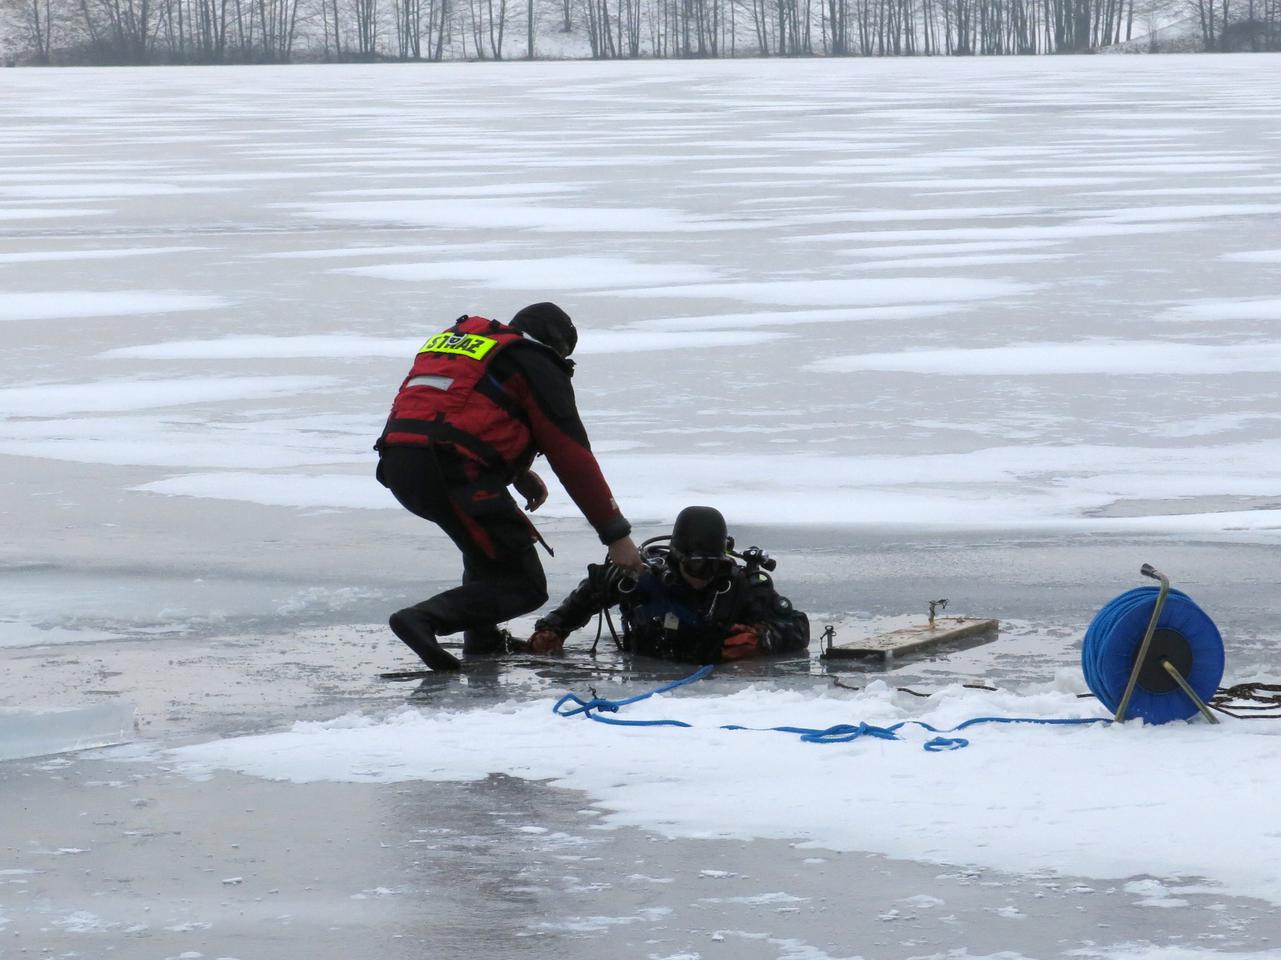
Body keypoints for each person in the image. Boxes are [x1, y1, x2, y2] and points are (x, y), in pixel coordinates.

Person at [375, 302, 643, 671]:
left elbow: (459, 411)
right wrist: (616, 534)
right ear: (557, 346)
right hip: (452, 472)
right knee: (524, 584)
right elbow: (572, 454)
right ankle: (423, 620)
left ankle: (482, 640)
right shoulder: (538, 361)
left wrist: (515, 472)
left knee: (487, 546)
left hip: (402, 462)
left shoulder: (477, 346)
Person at [524, 505, 809, 664]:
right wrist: (553, 629)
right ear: (677, 558)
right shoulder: (644, 580)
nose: (705, 576)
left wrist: (765, 638)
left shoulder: (739, 586)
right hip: (646, 682)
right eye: (697, 565)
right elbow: (590, 592)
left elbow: (798, 626)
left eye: (715, 565)